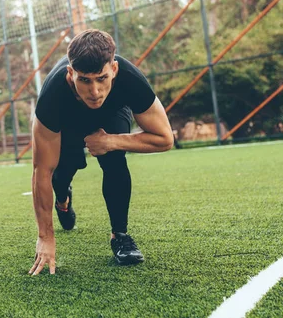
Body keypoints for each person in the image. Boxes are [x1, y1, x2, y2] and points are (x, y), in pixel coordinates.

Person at [29, 29, 174, 276]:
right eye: (84, 80)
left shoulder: (130, 79)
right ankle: (63, 202)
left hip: (112, 116)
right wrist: (45, 237)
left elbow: (165, 139)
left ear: (114, 70)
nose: (94, 91)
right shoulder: (52, 97)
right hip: (67, 122)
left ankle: (120, 235)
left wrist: (113, 142)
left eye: (101, 78)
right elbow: (41, 171)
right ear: (70, 74)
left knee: (115, 159)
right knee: (60, 175)